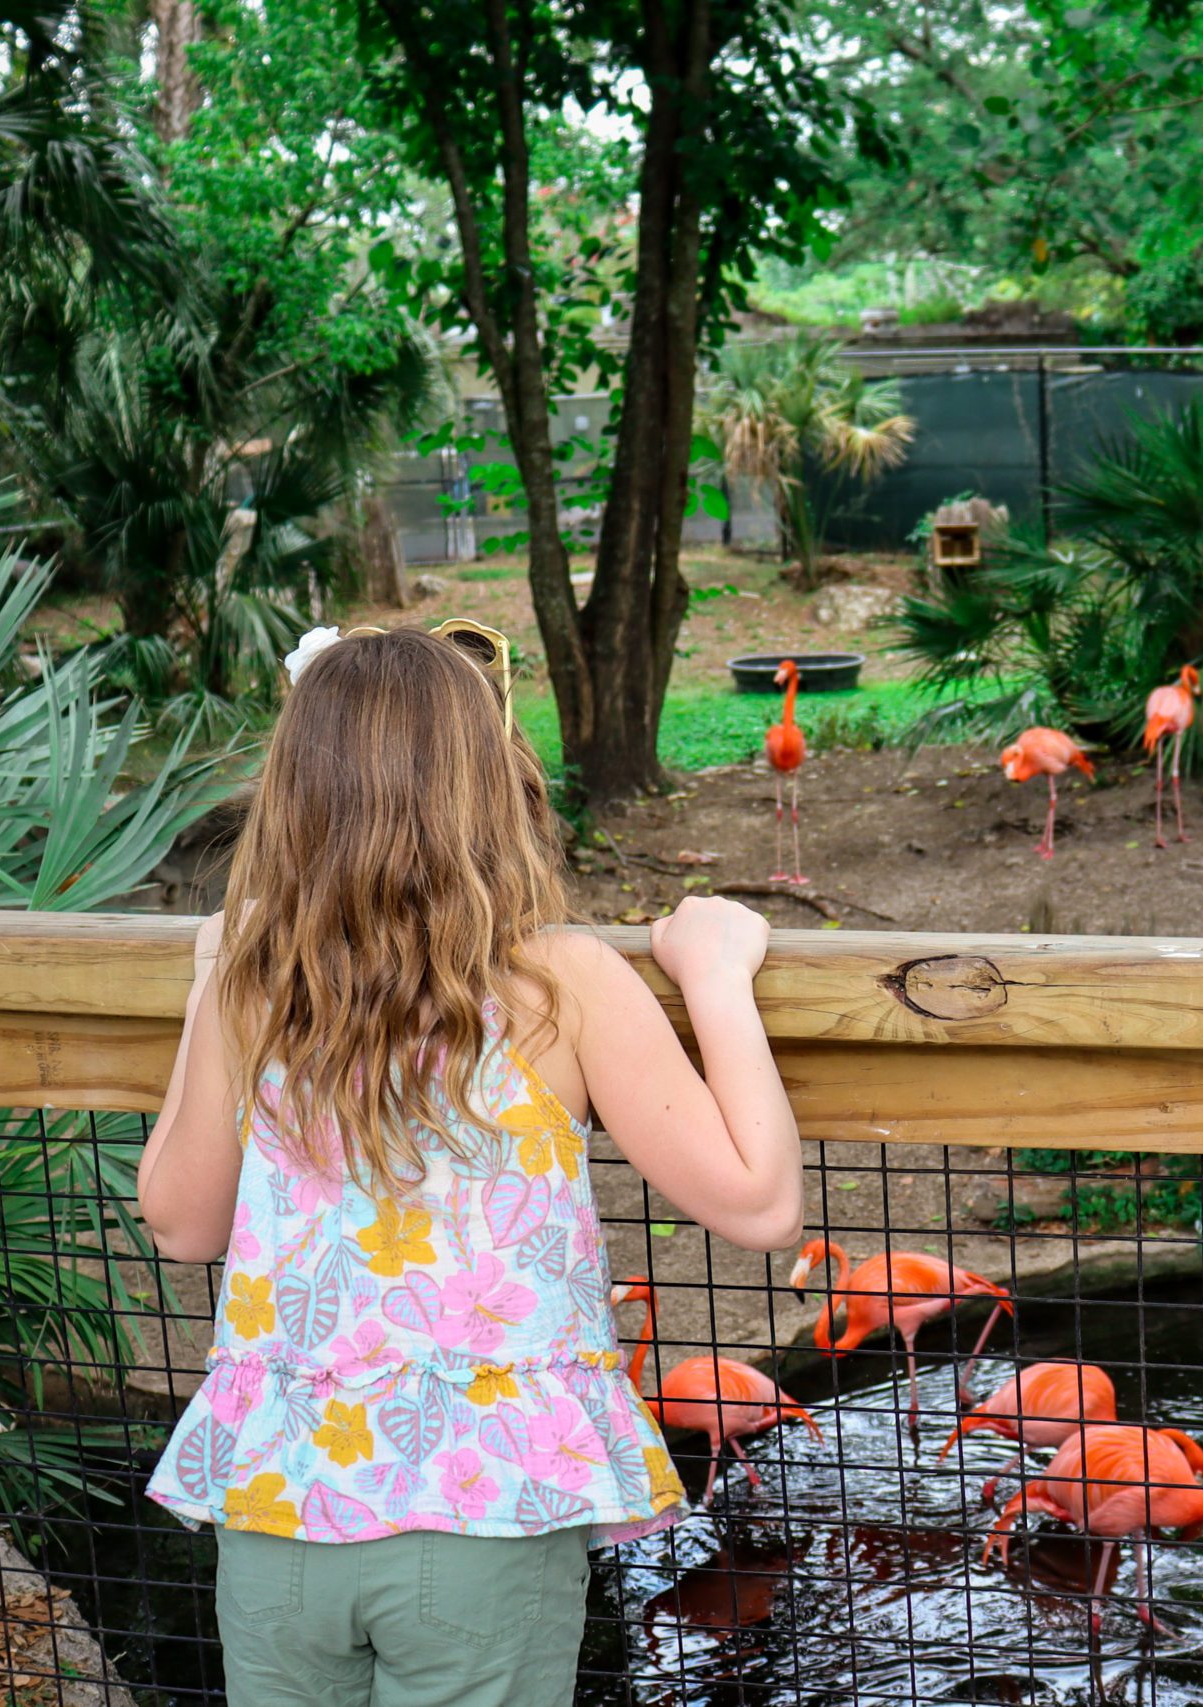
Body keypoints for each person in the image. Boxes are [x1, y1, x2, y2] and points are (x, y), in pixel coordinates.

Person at [135, 624, 804, 1707]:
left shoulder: (259, 981)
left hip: (276, 1513)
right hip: (485, 1513)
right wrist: (716, 974)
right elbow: (762, 1204)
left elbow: (178, 1223)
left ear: (295, 787)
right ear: (486, 780)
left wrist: (217, 975)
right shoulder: (561, 983)